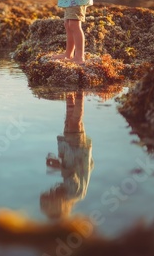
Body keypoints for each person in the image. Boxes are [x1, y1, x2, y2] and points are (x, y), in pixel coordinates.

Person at [40, 91, 94, 220]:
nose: (51, 191)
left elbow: (88, 167)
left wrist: (59, 160)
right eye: (51, 195)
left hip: (72, 152)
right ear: (59, 205)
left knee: (69, 120)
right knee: (75, 122)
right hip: (77, 151)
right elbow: (71, 173)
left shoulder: (71, 194)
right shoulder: (74, 194)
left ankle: (71, 92)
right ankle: (80, 91)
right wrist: (58, 167)